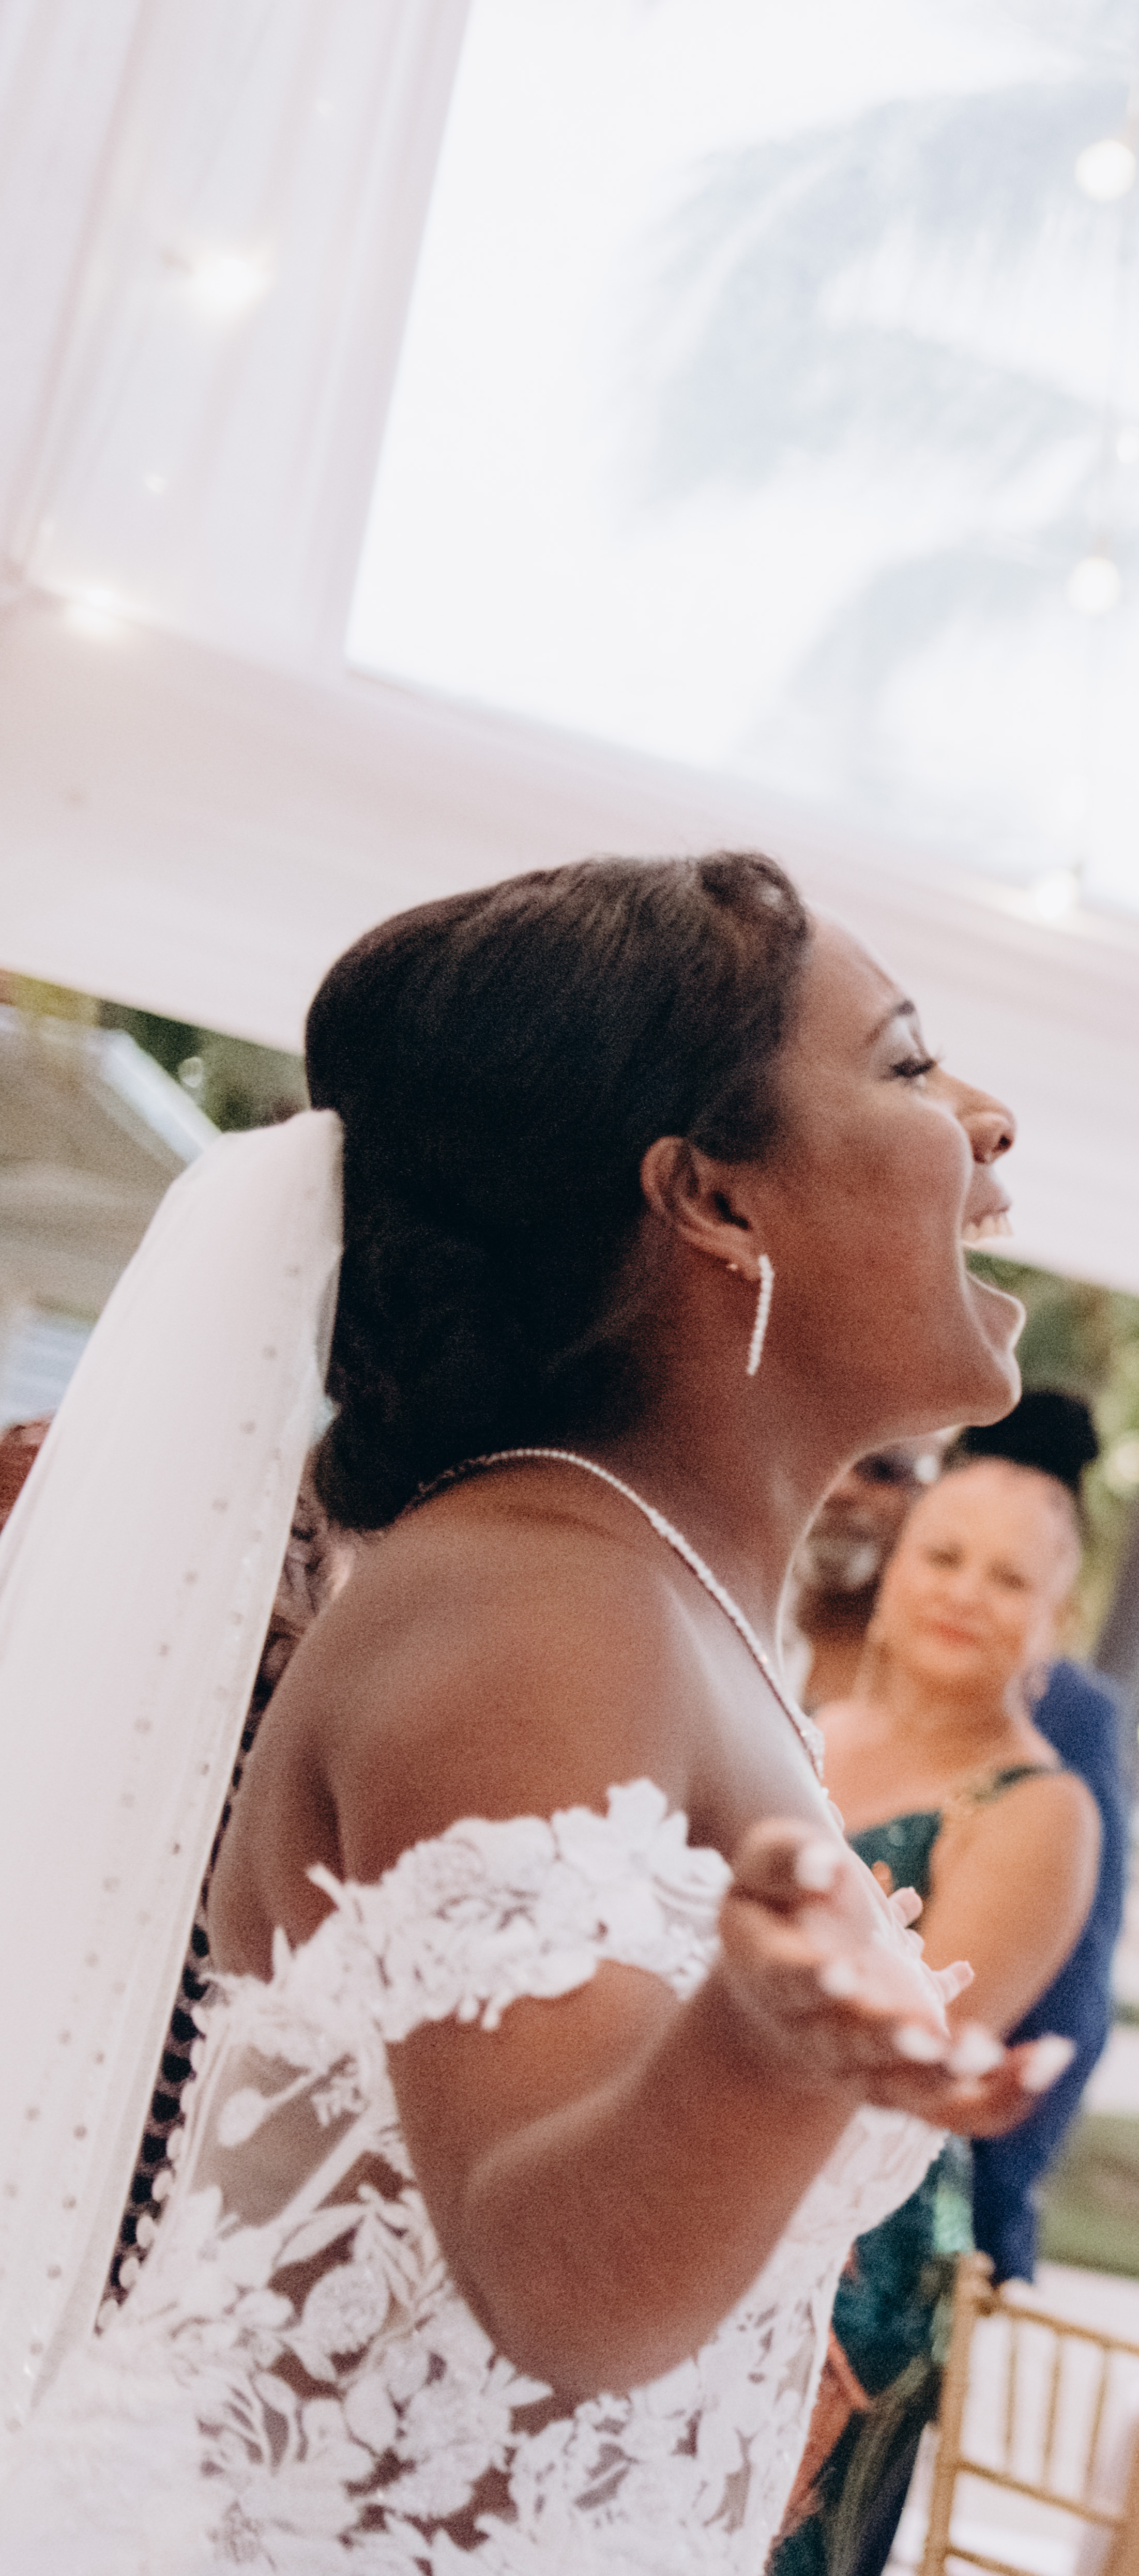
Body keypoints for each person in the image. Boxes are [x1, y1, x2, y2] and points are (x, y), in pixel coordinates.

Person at [0, 853, 1071, 2569]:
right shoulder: (540, 1611)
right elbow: (560, 2284)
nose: (988, 1119)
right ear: (713, 1202)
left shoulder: (654, 1599)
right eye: (906, 1063)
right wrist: (771, 2051)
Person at [774, 1444, 1105, 2575]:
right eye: (944, 1556)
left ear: (1057, 1621)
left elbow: (917, 2060)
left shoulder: (1041, 1806)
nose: (965, 1591)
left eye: (1010, 1578)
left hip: (856, 2247)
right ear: (891, 1575)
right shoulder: (808, 1726)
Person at [946, 1391, 1133, 2283]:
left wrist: (998, 2190)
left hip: (954, 2139)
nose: (967, 1593)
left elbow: (1076, 1973)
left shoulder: (1068, 1714)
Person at [791, 1436, 942, 1710]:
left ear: (925, 1497)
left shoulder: (945, 1673)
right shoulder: (730, 1630)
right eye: (817, 1463)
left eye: (880, 1469)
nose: (840, 1489)